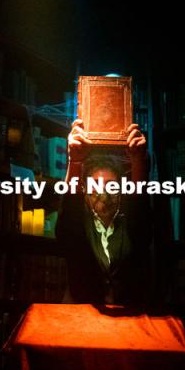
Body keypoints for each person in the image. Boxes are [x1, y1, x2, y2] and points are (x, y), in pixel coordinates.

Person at [56, 118, 152, 304]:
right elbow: (70, 209)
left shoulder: (131, 226)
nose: (103, 192)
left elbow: (139, 208)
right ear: (84, 192)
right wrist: (74, 160)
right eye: (95, 185)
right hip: (83, 320)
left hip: (128, 319)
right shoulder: (78, 228)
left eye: (111, 186)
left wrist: (137, 160)